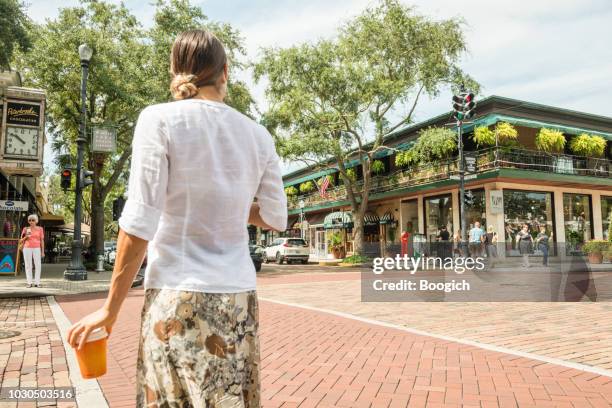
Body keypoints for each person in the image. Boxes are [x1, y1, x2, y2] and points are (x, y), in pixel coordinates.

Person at [66, 30, 287, 407]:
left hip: (176, 298)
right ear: (225, 73)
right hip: (237, 300)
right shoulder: (258, 135)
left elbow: (139, 223)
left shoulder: (159, 120)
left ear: (176, 72)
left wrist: (109, 309)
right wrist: (234, 206)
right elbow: (275, 217)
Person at [20, 214, 45, 288]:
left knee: (38, 265)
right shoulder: (25, 229)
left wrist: (43, 251)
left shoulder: (40, 229)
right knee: (28, 266)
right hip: (27, 248)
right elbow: (20, 240)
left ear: (36, 221)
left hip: (37, 248)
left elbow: (42, 240)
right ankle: (29, 282)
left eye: (33, 220)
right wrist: (26, 237)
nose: (31, 222)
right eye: (29, 220)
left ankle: (37, 282)